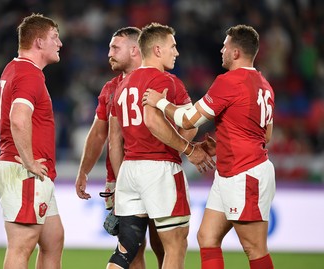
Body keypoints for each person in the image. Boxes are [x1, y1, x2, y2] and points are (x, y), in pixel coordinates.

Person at [142, 24, 275, 269]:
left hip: (245, 173)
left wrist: (160, 102)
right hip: (230, 172)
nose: (221, 50)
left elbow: (188, 119)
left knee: (254, 248)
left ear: (235, 53)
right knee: (207, 237)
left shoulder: (230, 81)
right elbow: (265, 134)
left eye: (225, 46)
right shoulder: (263, 85)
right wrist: (224, 144)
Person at [107, 22, 215, 269]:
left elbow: (116, 139)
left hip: (129, 171)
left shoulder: (122, 86)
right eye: (172, 47)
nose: (176, 52)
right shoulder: (168, 81)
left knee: (127, 252)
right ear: (157, 50)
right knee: (175, 246)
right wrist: (190, 149)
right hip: (160, 169)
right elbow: (163, 122)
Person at [75, 26, 171, 269]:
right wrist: (84, 170)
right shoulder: (110, 88)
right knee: (133, 249)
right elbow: (99, 133)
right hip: (120, 180)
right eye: (109, 48)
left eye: (115, 47)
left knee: (163, 244)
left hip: (155, 174)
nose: (109, 53)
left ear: (135, 49)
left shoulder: (160, 81)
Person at [0, 13, 64, 269]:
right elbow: (18, 119)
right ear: (38, 42)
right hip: (24, 172)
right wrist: (29, 161)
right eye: (54, 37)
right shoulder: (29, 74)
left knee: (53, 240)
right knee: (22, 245)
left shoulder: (14, 68)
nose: (60, 43)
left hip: (30, 173)